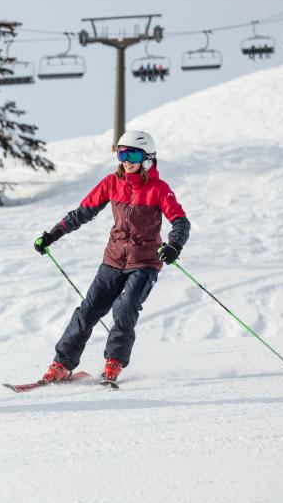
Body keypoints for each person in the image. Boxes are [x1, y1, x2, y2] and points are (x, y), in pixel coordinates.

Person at [32, 130, 191, 385]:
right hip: (113, 260)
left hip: (145, 262)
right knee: (87, 311)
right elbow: (81, 213)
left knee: (125, 308)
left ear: (148, 157)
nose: (126, 159)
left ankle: (114, 362)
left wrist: (174, 246)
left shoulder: (158, 189)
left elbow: (181, 222)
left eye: (133, 154)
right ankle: (62, 365)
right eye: (121, 153)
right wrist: (52, 235)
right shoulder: (111, 183)